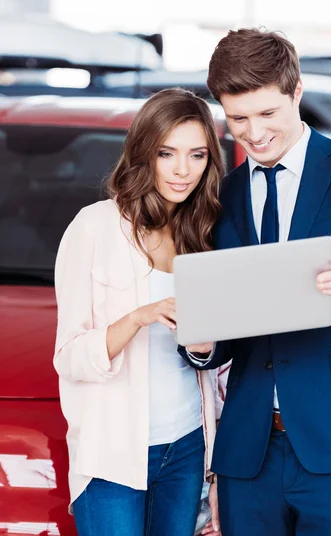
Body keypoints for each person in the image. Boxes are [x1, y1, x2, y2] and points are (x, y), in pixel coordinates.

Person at [181, 29, 331, 535]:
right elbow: (225, 327)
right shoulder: (222, 196)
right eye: (238, 119)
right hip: (250, 452)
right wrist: (201, 346)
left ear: (296, 92)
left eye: (267, 114)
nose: (254, 133)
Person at [53, 88, 224, 536]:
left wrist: (205, 348)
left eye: (197, 155)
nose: (183, 170)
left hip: (187, 446)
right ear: (144, 151)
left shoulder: (204, 233)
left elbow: (217, 364)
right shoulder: (94, 227)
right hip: (113, 453)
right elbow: (68, 357)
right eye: (167, 153)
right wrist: (136, 318)